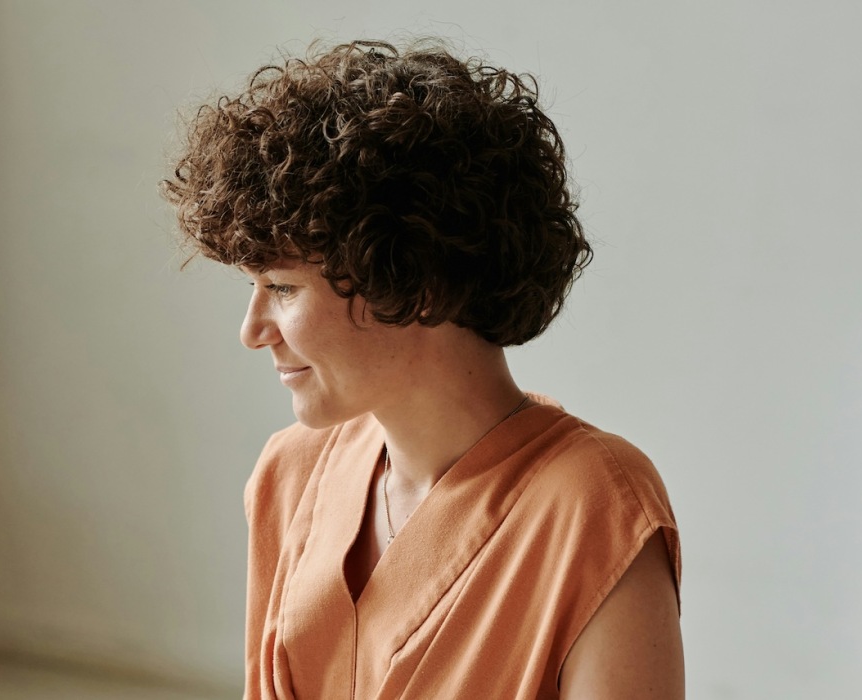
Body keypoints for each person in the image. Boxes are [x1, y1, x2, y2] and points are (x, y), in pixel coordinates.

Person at [163, 40, 684, 699]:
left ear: (416, 280)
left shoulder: (595, 507)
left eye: (282, 288)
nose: (252, 331)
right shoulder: (288, 476)